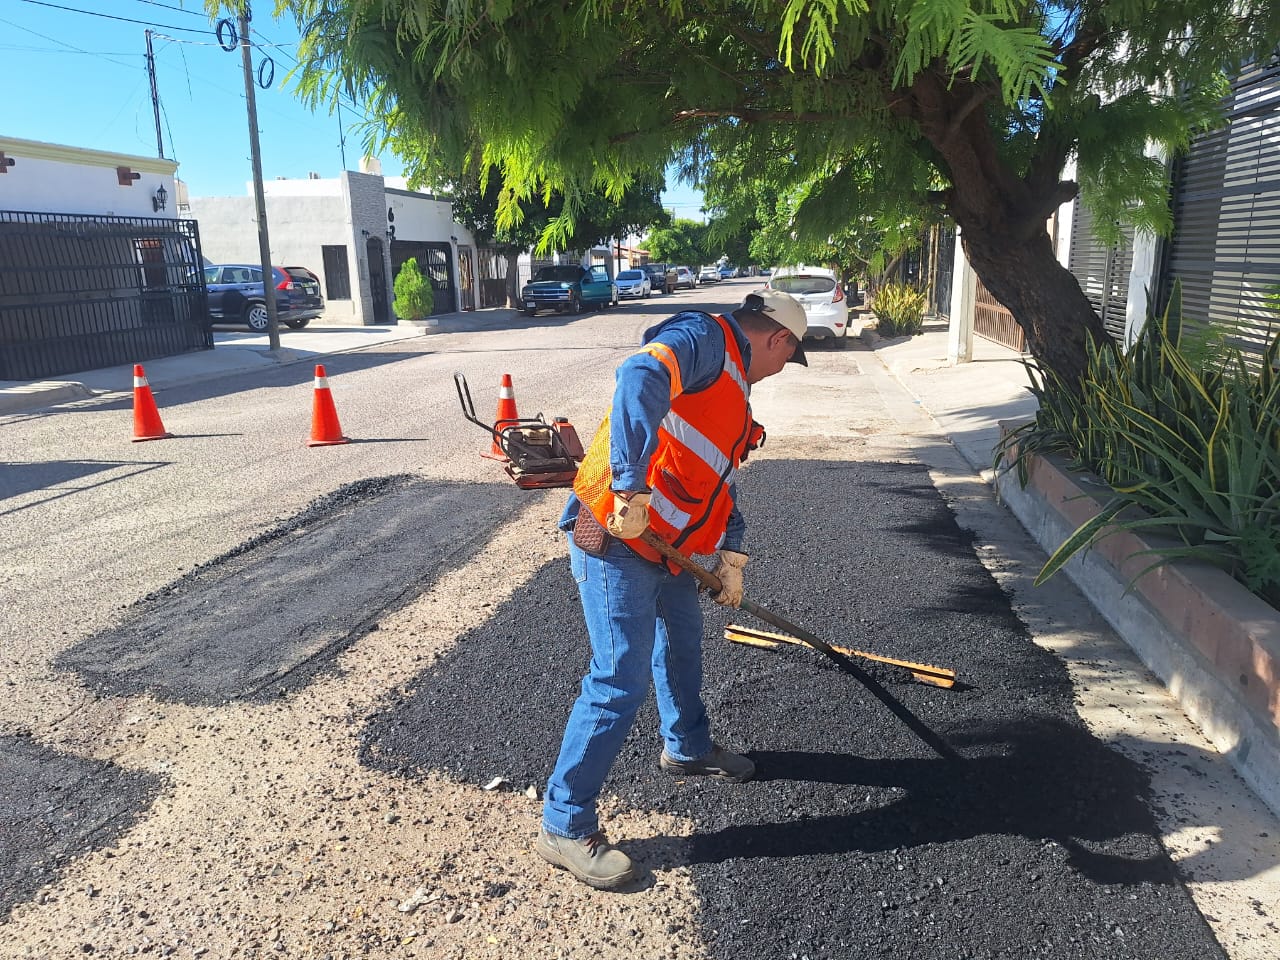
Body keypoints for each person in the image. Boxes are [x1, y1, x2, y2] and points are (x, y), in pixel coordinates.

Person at [536, 289, 808, 890]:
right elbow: (639, 375)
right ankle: (564, 822)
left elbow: (717, 478)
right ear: (778, 339)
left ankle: (687, 747)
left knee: (682, 647)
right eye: (788, 357)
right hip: (617, 536)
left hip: (671, 551)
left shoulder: (735, 393)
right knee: (619, 679)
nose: (782, 369)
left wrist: (732, 552)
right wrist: (629, 486)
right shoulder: (705, 339)